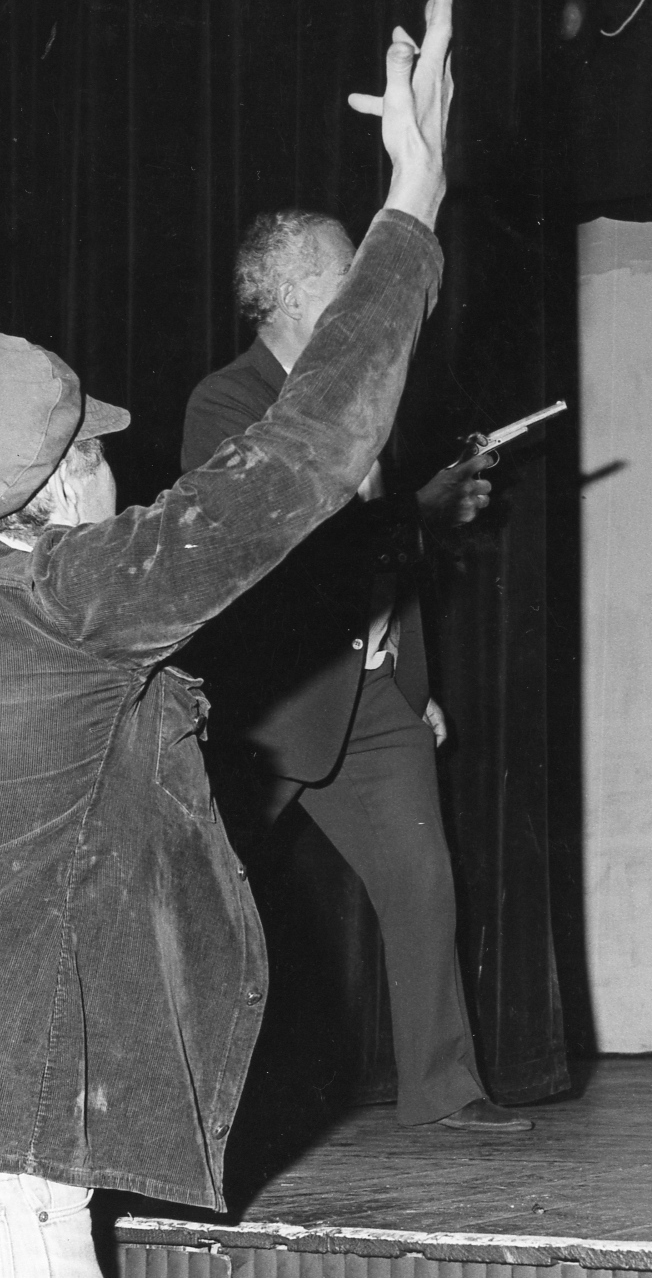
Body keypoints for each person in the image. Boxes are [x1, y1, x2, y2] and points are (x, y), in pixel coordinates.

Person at [0, 0, 457, 1276]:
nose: (109, 468)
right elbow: (304, 456)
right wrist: (413, 201)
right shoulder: (65, 604)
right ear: (56, 487)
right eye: (95, 450)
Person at [179, 211, 527, 1133]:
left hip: (373, 691)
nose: (368, 288)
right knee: (213, 904)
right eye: (348, 273)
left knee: (423, 880)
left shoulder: (371, 396)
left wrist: (417, 678)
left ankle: (446, 1090)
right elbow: (284, 544)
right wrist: (419, 511)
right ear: (294, 293)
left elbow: (381, 563)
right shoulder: (226, 404)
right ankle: (186, 1113)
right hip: (271, 705)